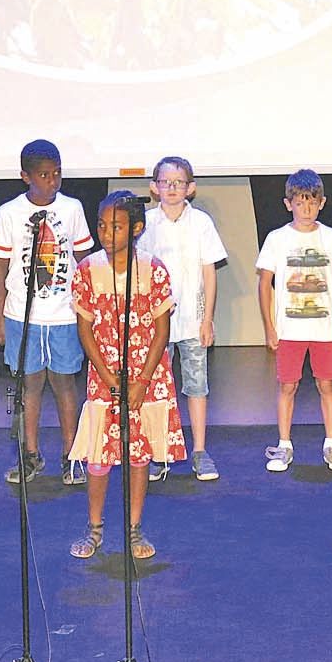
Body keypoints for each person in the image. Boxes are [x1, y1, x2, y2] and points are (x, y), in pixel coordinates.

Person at [67, 192, 185, 560]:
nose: (106, 233)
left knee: (139, 454)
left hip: (145, 377)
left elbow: (161, 331)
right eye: (101, 225)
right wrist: (107, 376)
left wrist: (142, 381)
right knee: (99, 457)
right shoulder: (87, 270)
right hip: (105, 374)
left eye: (115, 226)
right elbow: (85, 330)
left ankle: (134, 528)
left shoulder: (153, 269)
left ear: (135, 228)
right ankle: (95, 527)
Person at [0, 139, 94, 485]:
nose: (52, 181)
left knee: (64, 384)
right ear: (25, 177)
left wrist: (89, 308)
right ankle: (30, 454)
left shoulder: (73, 209)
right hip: (22, 314)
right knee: (29, 385)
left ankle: (71, 454)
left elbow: (84, 261)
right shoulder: (9, 213)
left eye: (57, 174)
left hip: (64, 315)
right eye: (44, 175)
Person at [256, 169, 332, 473]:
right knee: (287, 385)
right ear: (288, 204)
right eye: (300, 203)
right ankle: (284, 445)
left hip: (326, 330)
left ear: (322, 203)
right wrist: (270, 327)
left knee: (327, 384)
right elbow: (264, 285)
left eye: (312, 203)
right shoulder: (277, 239)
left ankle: (331, 444)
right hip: (290, 329)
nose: (306, 209)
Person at [142, 155, 227, 481]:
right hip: (156, 324)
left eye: (179, 183)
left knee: (196, 386)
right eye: (165, 182)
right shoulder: (147, 223)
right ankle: (157, 451)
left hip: (192, 319)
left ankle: (200, 451)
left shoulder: (201, 223)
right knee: (156, 388)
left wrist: (207, 319)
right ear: (154, 187)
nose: (172, 188)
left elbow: (210, 273)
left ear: (190, 188)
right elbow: (141, 270)